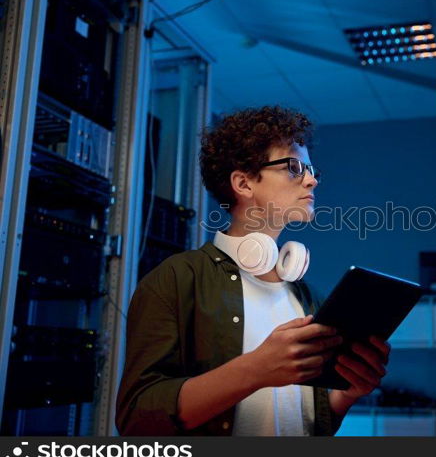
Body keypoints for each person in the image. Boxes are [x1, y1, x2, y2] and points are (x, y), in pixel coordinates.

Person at [116, 106, 391, 436]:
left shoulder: (308, 297)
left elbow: (308, 422)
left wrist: (346, 396)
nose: (312, 179)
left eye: (312, 169)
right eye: (294, 167)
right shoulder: (176, 280)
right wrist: (255, 370)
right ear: (244, 183)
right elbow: (137, 418)